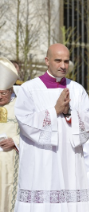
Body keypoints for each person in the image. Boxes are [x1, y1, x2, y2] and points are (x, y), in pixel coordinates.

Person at [14, 43, 89, 212]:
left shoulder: (76, 89)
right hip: (41, 158)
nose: (63, 66)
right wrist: (55, 111)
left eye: (66, 61)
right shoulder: (29, 89)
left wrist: (69, 114)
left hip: (69, 158)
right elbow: (25, 121)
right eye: (58, 60)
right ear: (47, 61)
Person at [0, 57, 20, 212]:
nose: (0, 96)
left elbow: (32, 133)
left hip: (12, 160)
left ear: (11, 90)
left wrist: (15, 141)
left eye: (3, 93)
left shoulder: (20, 106)